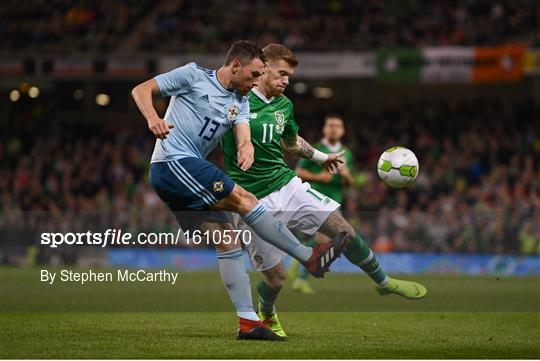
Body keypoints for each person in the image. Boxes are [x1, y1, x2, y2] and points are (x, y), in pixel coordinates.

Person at [131, 40, 346, 341]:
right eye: (255, 74)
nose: (257, 81)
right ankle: (308, 256)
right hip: (172, 162)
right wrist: (154, 118)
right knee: (246, 199)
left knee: (228, 241)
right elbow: (140, 90)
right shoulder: (193, 75)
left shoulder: (240, 101)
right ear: (236, 66)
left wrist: (246, 148)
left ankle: (247, 322)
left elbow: (243, 133)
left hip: (186, 174)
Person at [221, 43, 428, 339]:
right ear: (263, 67)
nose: (286, 81)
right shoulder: (234, 101)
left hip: (286, 184)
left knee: (344, 231)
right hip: (250, 200)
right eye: (282, 74)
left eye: (289, 76)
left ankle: (384, 282)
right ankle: (266, 310)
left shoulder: (284, 106)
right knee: (277, 279)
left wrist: (322, 158)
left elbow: (291, 143)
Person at [289, 114, 354, 294]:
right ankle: (301, 279)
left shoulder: (346, 153)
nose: (334, 128)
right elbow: (299, 171)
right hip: (315, 197)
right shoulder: (315, 149)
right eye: (330, 125)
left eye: (337, 126)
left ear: (343, 131)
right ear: (325, 129)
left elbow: (349, 182)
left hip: (335, 200)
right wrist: (320, 177)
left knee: (325, 239)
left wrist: (347, 175)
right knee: (326, 239)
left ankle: (297, 258)